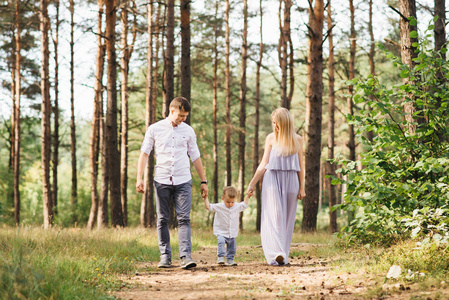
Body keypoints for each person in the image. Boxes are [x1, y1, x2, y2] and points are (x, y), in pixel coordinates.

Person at [136, 97, 208, 269]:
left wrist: (203, 181)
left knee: (184, 218)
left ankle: (185, 256)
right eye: (181, 115)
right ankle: (165, 257)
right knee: (162, 219)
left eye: (185, 116)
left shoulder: (189, 131)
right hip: (161, 180)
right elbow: (144, 154)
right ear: (172, 110)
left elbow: (195, 157)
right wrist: (139, 178)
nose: (183, 119)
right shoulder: (155, 129)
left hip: (183, 180)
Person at [247, 107, 305, 266]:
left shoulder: (298, 140)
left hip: (291, 179)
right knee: (275, 215)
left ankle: (283, 254)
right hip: (272, 179)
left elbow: (301, 165)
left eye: (277, 123)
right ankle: (276, 253)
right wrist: (252, 184)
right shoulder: (271, 138)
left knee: (287, 218)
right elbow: (264, 164)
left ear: (285, 123)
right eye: (273, 123)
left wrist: (302, 187)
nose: (275, 126)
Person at [203, 186, 253, 266]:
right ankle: (221, 257)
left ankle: (230, 260)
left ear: (235, 200)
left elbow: (244, 205)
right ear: (223, 198)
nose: (230, 204)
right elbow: (208, 207)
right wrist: (206, 198)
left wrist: (247, 196)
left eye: (232, 202)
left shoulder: (236, 206)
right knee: (221, 242)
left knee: (232, 247)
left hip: (232, 232)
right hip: (221, 231)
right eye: (228, 202)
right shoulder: (219, 206)